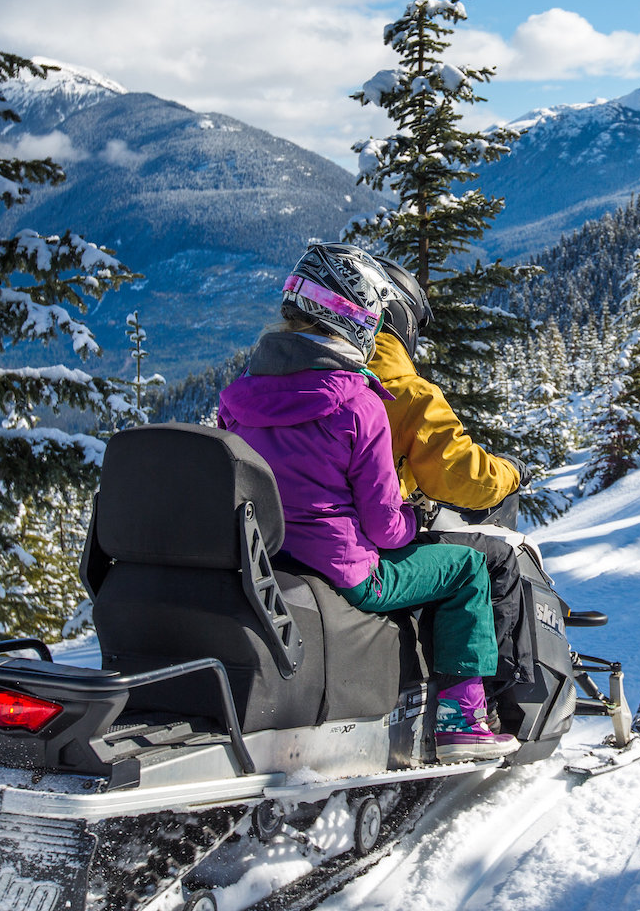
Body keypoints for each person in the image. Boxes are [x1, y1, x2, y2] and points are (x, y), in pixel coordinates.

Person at [215, 243, 518, 762]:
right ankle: (461, 716)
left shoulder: (238, 397)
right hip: (349, 572)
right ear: (359, 317)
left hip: (268, 559)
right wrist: (414, 520)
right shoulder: (360, 402)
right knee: (466, 568)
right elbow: (382, 528)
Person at [360, 250, 535, 714]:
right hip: (366, 546)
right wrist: (513, 472)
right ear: (400, 318)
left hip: (299, 541)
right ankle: (484, 704)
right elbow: (465, 477)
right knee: (490, 560)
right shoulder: (405, 391)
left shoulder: (316, 378)